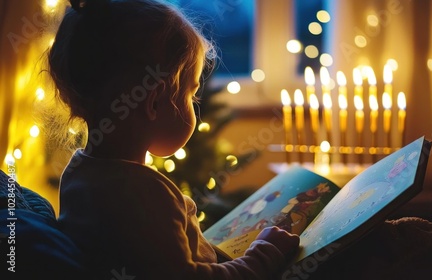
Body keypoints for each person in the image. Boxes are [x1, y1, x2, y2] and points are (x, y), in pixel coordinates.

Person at [48, 0, 299, 279]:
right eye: (191, 96)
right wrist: (265, 252)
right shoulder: (144, 196)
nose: (194, 104)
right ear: (153, 102)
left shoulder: (79, 173)